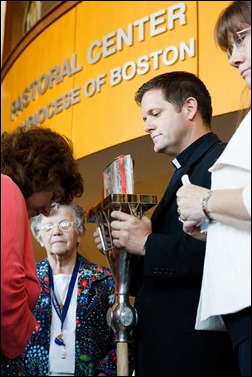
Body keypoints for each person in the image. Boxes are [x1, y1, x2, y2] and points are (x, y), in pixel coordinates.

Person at [93, 71, 240, 376]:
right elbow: (151, 279)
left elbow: (227, 253)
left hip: (197, 348)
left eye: (155, 113)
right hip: (165, 344)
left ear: (189, 108)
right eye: (145, 116)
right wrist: (120, 248)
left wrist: (146, 243)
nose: (146, 125)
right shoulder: (183, 170)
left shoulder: (221, 160)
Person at [176, 2, 251, 376]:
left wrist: (205, 201)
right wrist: (214, 227)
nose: (233, 59)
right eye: (228, 49)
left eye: (240, 39)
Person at [1, 125, 84, 375]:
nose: (48, 210)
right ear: (41, 175)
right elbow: (6, 284)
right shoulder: (7, 189)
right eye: (53, 195)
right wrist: (19, 341)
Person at [24, 202, 118, 376]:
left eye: (65, 224)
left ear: (80, 233)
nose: (56, 231)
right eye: (48, 226)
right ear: (39, 238)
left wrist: (105, 373)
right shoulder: (25, 281)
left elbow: (123, 339)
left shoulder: (104, 281)